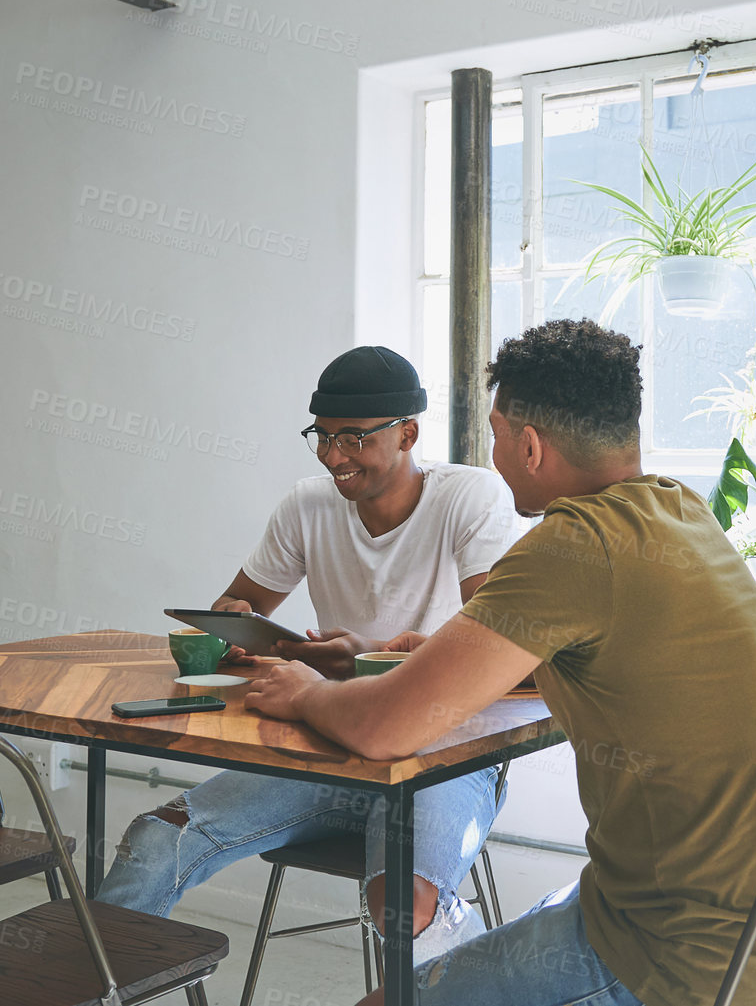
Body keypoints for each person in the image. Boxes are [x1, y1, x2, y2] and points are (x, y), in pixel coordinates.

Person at [243, 319, 756, 1006]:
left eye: (495, 433)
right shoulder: (676, 510)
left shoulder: (572, 543)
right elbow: (601, 656)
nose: (490, 452)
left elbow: (383, 729)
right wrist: (432, 654)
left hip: (683, 961)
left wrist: (301, 690)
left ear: (529, 444)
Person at [98, 345, 518, 963]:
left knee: (405, 906)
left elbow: (497, 653)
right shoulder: (309, 504)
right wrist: (237, 629)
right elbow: (239, 603)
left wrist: (366, 654)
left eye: (352, 438)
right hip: (327, 741)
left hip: (442, 750)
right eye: (321, 437)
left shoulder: (471, 498)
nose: (332, 457)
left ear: (408, 434)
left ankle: (473, 970)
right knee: (155, 839)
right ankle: (97, 989)